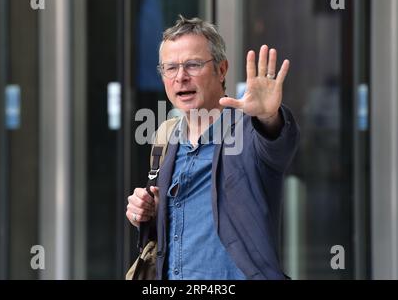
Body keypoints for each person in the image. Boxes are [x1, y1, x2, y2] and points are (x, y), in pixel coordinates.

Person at [126, 15, 300, 280]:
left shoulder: (248, 131)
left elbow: (276, 144)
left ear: (221, 70)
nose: (180, 77)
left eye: (193, 65)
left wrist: (267, 117)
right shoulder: (165, 137)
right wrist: (146, 212)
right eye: (170, 68)